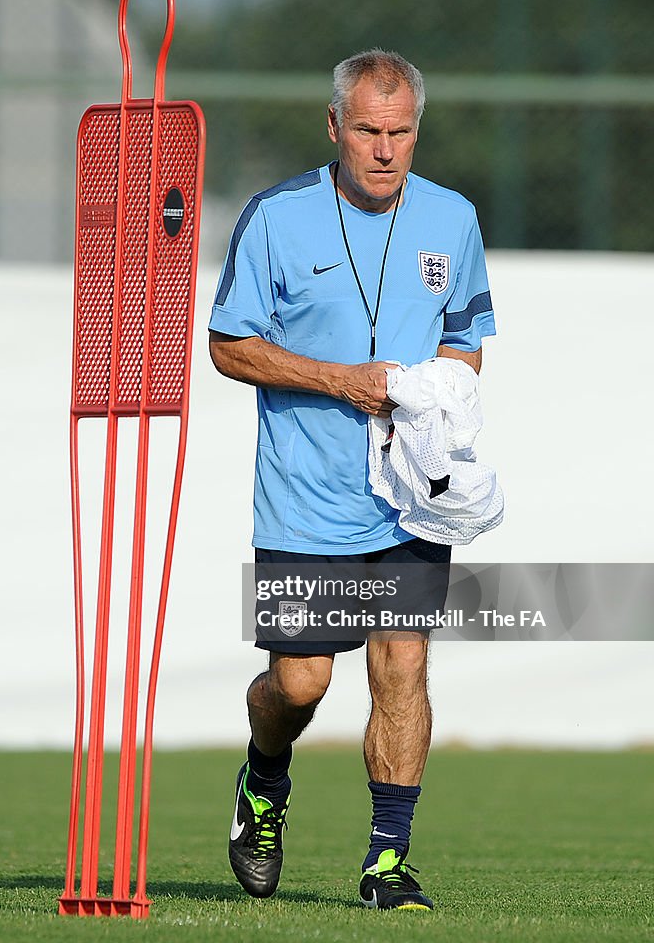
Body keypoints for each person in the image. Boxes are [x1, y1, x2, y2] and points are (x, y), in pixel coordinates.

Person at [208, 48, 496, 910]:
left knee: (402, 666)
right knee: (301, 683)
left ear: (416, 131)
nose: (383, 149)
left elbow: (466, 339)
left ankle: (386, 865)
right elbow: (229, 346)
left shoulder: (452, 219)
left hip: (410, 502)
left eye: (399, 132)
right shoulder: (276, 216)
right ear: (334, 126)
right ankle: (264, 779)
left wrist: (426, 399)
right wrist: (342, 379)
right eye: (367, 130)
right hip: (305, 498)